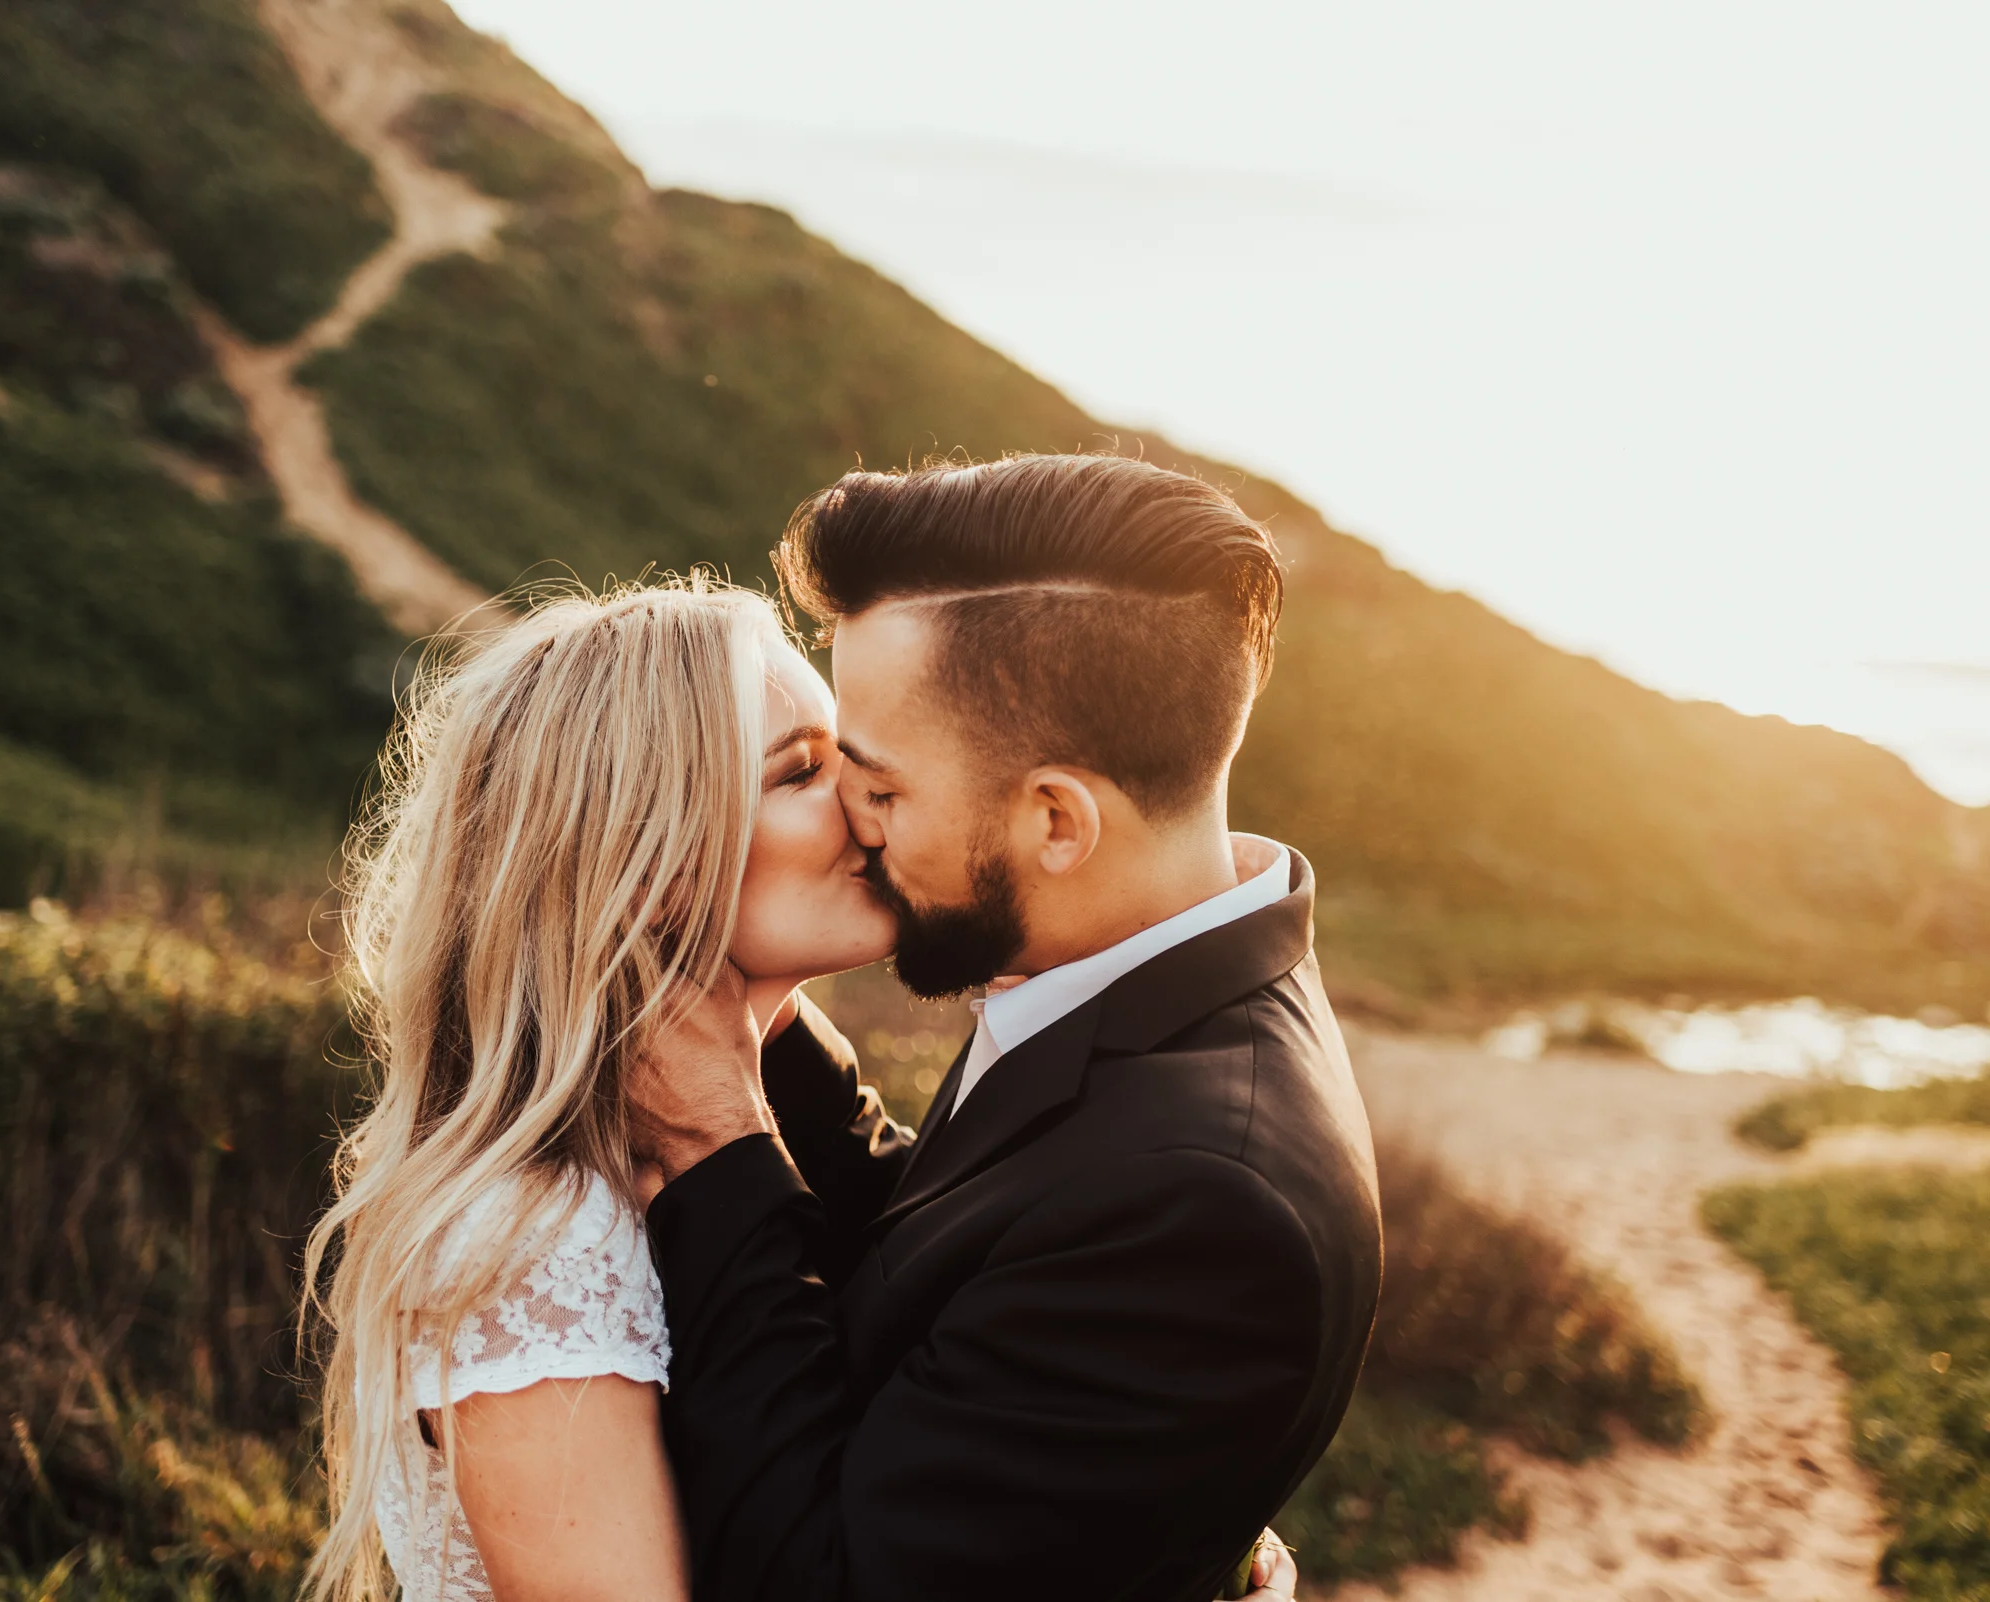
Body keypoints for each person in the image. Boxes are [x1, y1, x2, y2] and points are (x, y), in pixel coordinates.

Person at [297, 571, 1307, 1602]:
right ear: (647, 865)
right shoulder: (535, 1241)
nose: (869, 809)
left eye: (857, 763)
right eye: (802, 773)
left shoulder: (764, 1127)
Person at [632, 453, 1382, 1602]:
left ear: (1057, 822)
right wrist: (759, 1030)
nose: (853, 822)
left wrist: (714, 1150)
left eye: (882, 791)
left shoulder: (1208, 1208)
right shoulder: (1141, 976)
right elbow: (956, 1251)